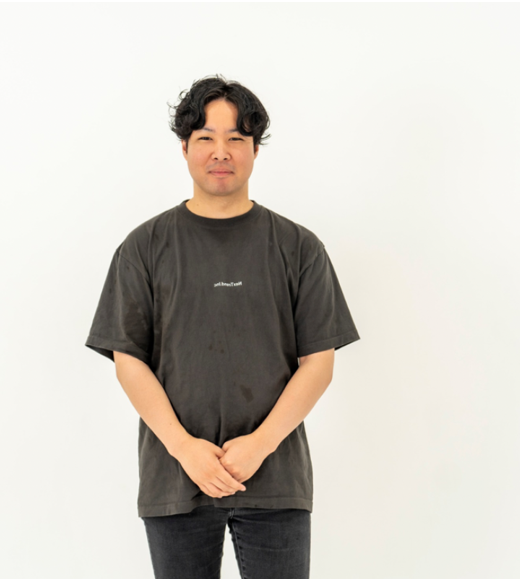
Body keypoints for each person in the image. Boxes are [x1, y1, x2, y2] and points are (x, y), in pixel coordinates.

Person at [84, 74, 360, 579]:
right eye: (206, 137)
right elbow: (128, 360)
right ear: (184, 147)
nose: (221, 152)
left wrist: (261, 444)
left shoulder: (299, 247)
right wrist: (184, 448)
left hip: (275, 480)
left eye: (236, 138)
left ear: (255, 149)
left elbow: (319, 363)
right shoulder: (144, 247)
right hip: (176, 480)